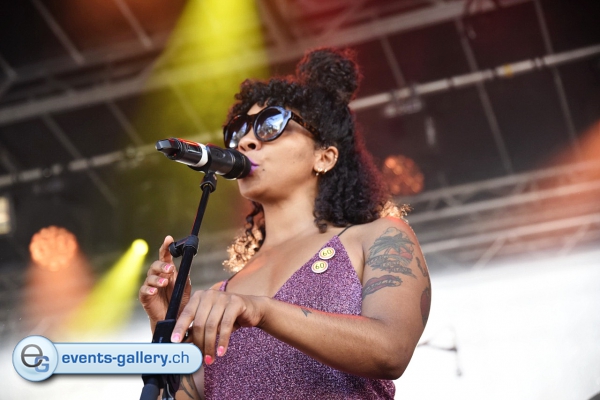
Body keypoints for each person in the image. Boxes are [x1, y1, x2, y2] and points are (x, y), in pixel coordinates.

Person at [139, 47, 431, 399]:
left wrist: (263, 311)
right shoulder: (224, 294)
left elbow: (391, 351)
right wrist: (165, 328)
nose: (246, 141)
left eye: (271, 125)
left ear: (324, 157)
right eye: (239, 131)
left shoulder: (378, 237)